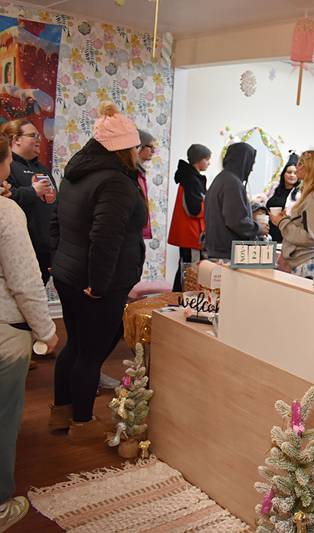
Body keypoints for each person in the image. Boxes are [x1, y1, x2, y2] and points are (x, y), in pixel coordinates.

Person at [49, 102, 148, 442]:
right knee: (91, 352)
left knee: (74, 345)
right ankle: (82, 422)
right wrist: (99, 284)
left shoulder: (76, 171)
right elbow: (104, 239)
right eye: (135, 146)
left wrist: (56, 260)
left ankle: (60, 415)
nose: (138, 152)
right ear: (123, 148)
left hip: (69, 272)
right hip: (95, 280)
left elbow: (57, 221)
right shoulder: (116, 182)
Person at [0, 133, 58, 532]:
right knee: (3, 422)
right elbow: (25, 281)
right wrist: (47, 331)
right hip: (4, 334)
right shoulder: (5, 213)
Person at [1, 119, 57, 284]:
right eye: (33, 135)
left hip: (46, 251)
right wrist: (32, 192)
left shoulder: (43, 169)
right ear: (16, 139)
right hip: (22, 250)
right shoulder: (7, 167)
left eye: (39, 135)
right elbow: (5, 198)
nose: (39, 139)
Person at [271, 150, 314, 279]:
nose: (297, 167)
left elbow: (312, 237)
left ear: (311, 168)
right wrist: (289, 219)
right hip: (306, 260)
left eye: (301, 163)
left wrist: (282, 222)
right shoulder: (313, 196)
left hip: (305, 263)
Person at [204, 142, 265, 260]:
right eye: (250, 163)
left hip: (217, 250)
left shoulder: (221, 179)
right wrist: (258, 228)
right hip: (228, 253)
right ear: (243, 162)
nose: (251, 169)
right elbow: (237, 222)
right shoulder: (232, 184)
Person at [168, 144, 210, 291]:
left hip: (190, 232)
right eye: (207, 159)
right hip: (191, 233)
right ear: (199, 160)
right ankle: (185, 300)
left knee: (185, 268)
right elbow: (194, 209)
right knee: (191, 270)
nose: (209, 163)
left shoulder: (190, 177)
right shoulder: (192, 180)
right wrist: (209, 206)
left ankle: (179, 297)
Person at [265, 152, 301, 243]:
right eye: (289, 172)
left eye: (295, 173)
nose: (292, 175)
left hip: (285, 231)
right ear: (284, 174)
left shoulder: (299, 194)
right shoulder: (274, 187)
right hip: (269, 230)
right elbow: (264, 201)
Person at [136, 129, 155, 240]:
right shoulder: (132, 174)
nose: (153, 151)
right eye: (150, 146)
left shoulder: (140, 172)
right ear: (139, 146)